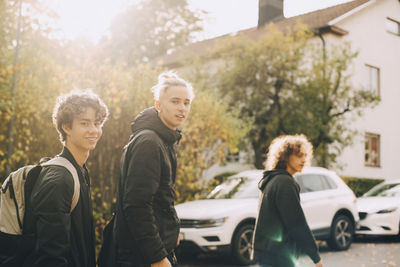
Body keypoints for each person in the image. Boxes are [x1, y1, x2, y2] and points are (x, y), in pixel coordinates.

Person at [114, 71, 194, 267]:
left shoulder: (165, 140)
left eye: (186, 102)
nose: (182, 108)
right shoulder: (149, 142)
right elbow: (136, 205)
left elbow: (163, 197)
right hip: (141, 257)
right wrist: (157, 257)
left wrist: (171, 231)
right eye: (175, 101)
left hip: (155, 250)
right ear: (158, 104)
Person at [23, 90, 109, 267]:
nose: (94, 130)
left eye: (97, 123)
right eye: (85, 123)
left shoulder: (80, 171)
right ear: (66, 127)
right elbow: (49, 256)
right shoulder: (59, 180)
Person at [252, 134, 323, 267]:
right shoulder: (285, 183)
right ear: (285, 156)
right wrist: (315, 257)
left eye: (304, 156)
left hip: (267, 255)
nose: (303, 160)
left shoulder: (272, 180)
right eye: (298, 155)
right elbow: (296, 223)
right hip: (279, 257)